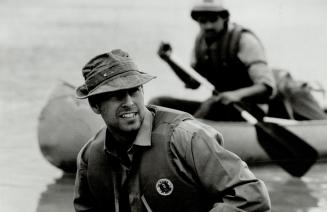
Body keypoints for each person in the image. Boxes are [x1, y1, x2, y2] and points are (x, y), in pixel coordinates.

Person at [73, 49, 271, 211]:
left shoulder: (187, 138)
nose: (129, 103)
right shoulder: (89, 156)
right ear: (95, 105)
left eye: (134, 91)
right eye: (116, 95)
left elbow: (252, 196)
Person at [150, 0, 276, 121]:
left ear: (224, 18)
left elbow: (266, 87)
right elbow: (193, 82)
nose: (208, 26)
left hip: (249, 109)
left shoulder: (244, 40)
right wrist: (170, 60)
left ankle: (192, 134)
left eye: (213, 19)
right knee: (158, 104)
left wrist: (236, 95)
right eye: (203, 21)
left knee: (210, 106)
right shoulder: (201, 41)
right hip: (219, 106)